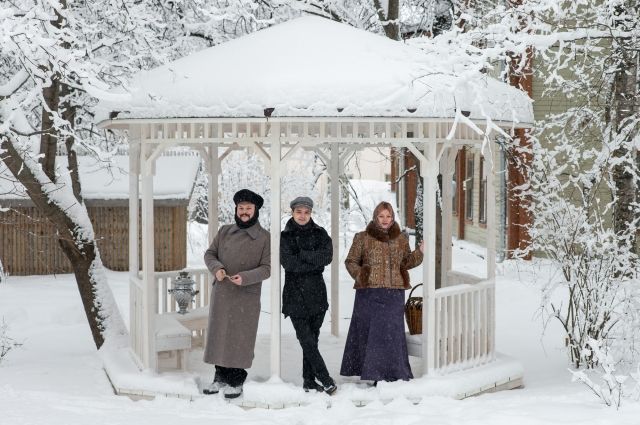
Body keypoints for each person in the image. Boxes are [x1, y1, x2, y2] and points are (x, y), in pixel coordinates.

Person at [340, 201, 424, 383]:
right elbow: (350, 261)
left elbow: (407, 262)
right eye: (381, 216)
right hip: (370, 293)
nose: (385, 220)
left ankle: (395, 372)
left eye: (389, 216)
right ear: (375, 217)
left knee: (392, 334)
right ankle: (374, 374)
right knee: (374, 334)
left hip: (394, 294)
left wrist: (420, 252)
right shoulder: (363, 238)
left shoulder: (401, 239)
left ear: (393, 218)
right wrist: (361, 275)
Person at [202, 189, 270, 399]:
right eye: (241, 208)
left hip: (246, 296)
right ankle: (219, 377)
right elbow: (209, 254)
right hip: (222, 292)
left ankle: (236, 379)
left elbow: (267, 268)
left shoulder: (264, 237)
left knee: (240, 337)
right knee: (219, 334)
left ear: (256, 210)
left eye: (248, 208)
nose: (244, 212)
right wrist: (217, 268)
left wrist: (246, 277)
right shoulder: (224, 231)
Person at [280, 196, 337, 395]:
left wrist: (302, 255)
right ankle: (325, 378)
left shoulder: (320, 233)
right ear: (292, 212)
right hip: (294, 295)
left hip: (317, 294)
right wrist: (312, 260)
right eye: (299, 212)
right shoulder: (284, 237)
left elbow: (326, 257)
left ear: (311, 213)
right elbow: (288, 264)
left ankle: (308, 381)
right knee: (306, 339)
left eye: (306, 212)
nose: (302, 216)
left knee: (313, 339)